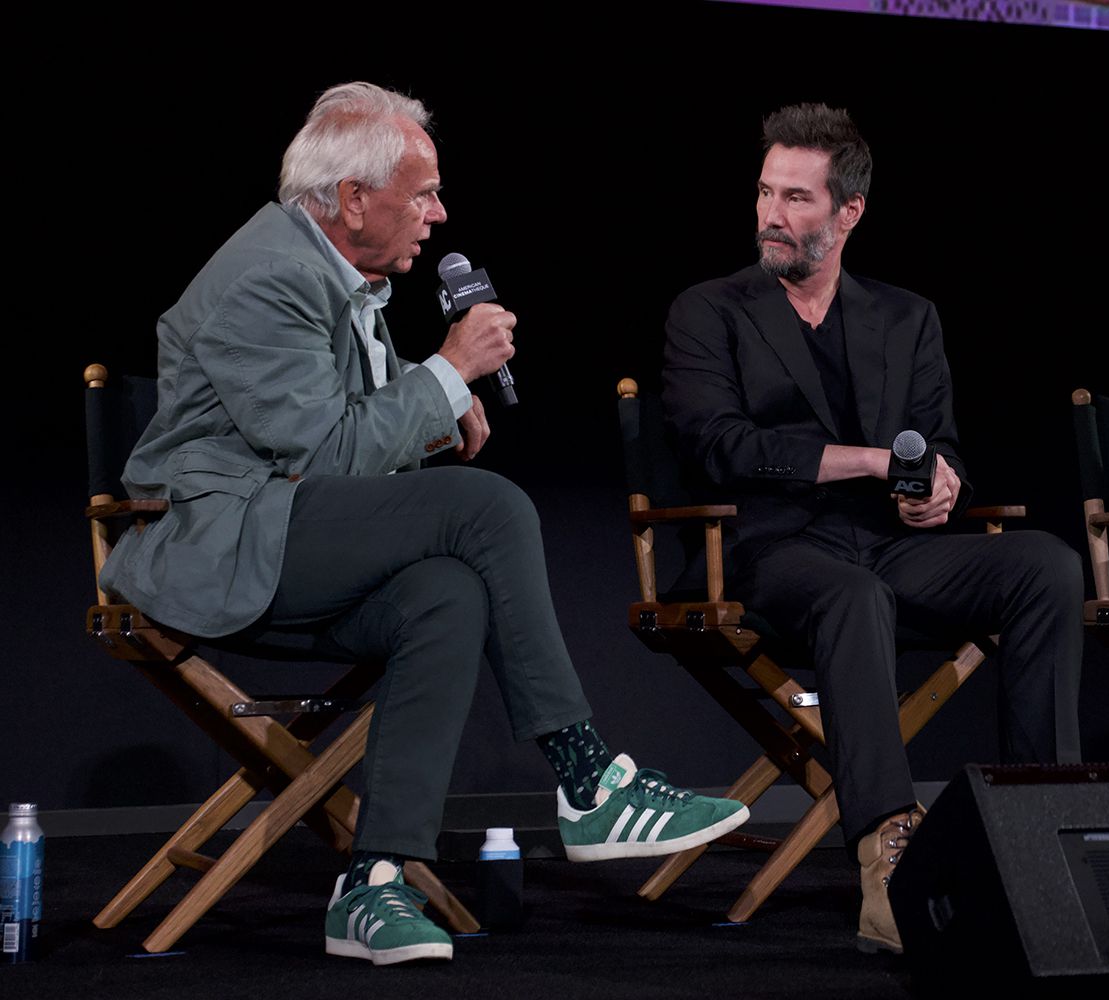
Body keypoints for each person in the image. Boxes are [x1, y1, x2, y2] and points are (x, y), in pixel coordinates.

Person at [100, 82, 747, 966]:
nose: (439, 214)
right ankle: (590, 779)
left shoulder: (332, 272)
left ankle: (373, 883)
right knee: (487, 505)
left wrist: (433, 399)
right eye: (424, 192)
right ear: (355, 197)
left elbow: (340, 425)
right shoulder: (269, 275)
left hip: (280, 531)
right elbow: (323, 458)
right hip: (217, 546)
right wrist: (445, 373)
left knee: (444, 595)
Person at [662, 103, 1082, 954]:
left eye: (797, 199)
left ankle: (1043, 823)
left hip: (891, 549)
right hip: (766, 555)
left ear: (848, 212)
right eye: (764, 193)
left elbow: (940, 439)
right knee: (851, 594)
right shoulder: (710, 311)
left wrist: (939, 489)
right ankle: (888, 855)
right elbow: (719, 445)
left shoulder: (906, 316)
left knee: (1048, 565)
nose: (771, 216)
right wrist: (868, 462)